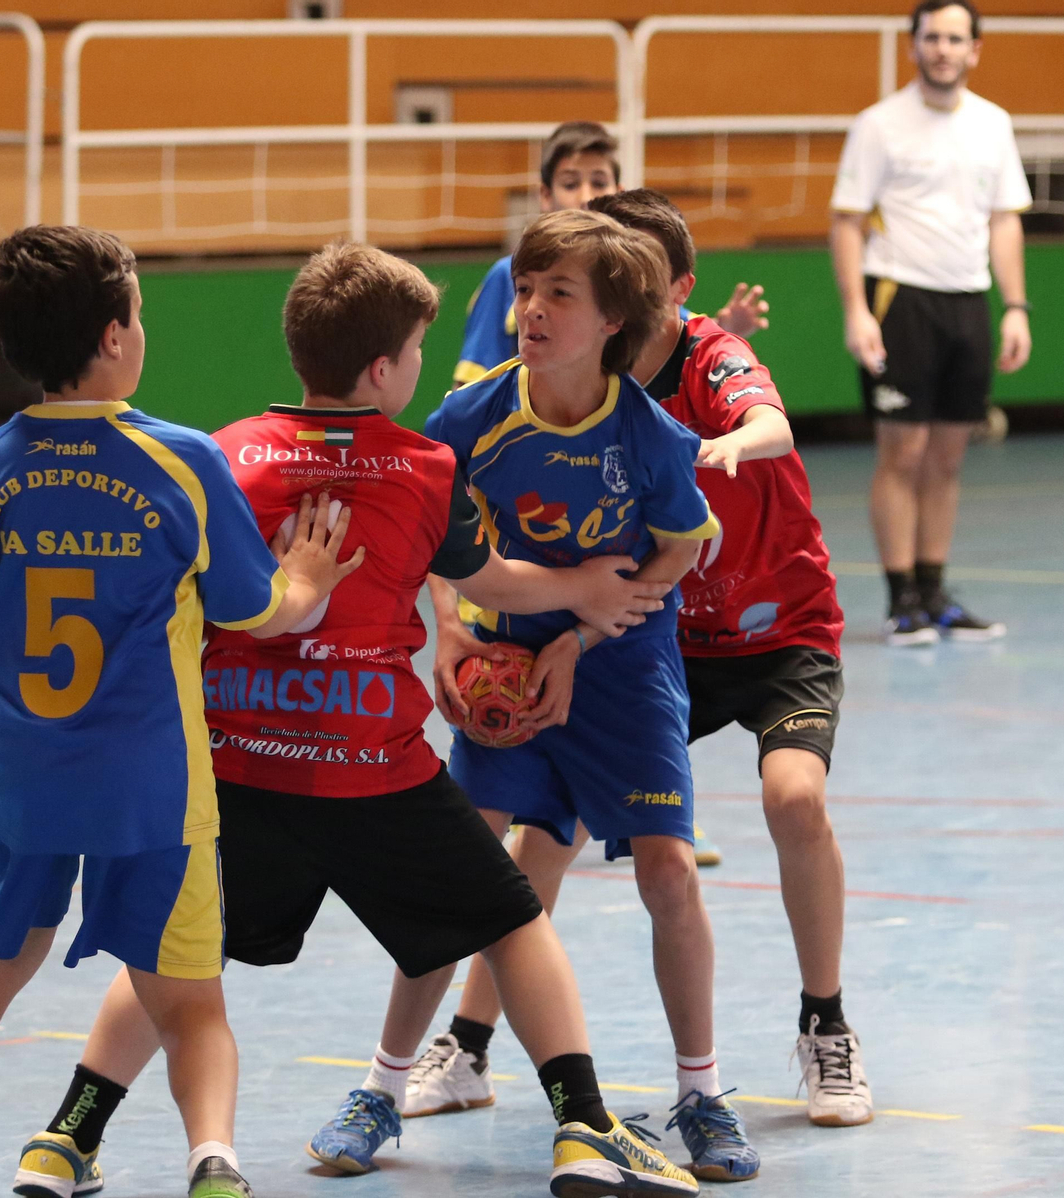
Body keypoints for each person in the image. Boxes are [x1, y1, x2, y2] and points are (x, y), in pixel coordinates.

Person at [12, 241, 700, 1198]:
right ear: (384, 370)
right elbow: (486, 578)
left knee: (169, 954)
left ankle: (64, 1138)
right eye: (417, 350)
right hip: (371, 768)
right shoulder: (421, 466)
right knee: (512, 922)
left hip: (239, 763)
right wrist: (583, 585)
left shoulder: (227, 454)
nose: (422, 367)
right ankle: (585, 1129)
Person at [0, 225, 363, 1198]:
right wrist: (308, 575)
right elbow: (257, 609)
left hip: (22, 776)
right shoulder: (175, 461)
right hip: (149, 787)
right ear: (118, 336)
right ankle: (212, 1164)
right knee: (190, 1000)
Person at [410, 189, 872, 1136]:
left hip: (772, 627)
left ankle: (825, 1024)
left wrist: (721, 447)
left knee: (794, 798)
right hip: (650, 632)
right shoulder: (564, 391)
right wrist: (560, 637)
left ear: (667, 297)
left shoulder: (704, 364)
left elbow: (771, 421)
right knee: (543, 835)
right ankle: (467, 1044)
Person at [425, 208, 760, 1182]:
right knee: (466, 868)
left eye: (557, 294)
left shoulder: (648, 434)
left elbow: (686, 544)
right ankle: (397, 1074)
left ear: (615, 319)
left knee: (667, 870)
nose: (529, 307)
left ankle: (699, 1091)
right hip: (502, 660)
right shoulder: (473, 415)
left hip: (623, 663)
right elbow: (437, 534)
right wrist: (449, 624)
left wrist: (576, 637)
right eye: (525, 289)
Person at [830, 0, 1032, 645]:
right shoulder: (879, 125)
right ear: (913, 46)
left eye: (956, 38)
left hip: (967, 301)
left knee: (947, 455)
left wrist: (1015, 307)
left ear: (975, 49)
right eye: (932, 38)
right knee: (903, 451)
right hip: (900, 299)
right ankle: (901, 601)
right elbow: (847, 221)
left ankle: (936, 593)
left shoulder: (994, 125)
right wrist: (857, 310)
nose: (943, 49)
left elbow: (1005, 218)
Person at [456, 121, 770, 388]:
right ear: (546, 196)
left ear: (618, 191)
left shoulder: (632, 269)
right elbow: (471, 383)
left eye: (598, 182)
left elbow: (670, 337)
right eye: (570, 183)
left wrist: (721, 330)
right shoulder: (506, 274)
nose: (586, 195)